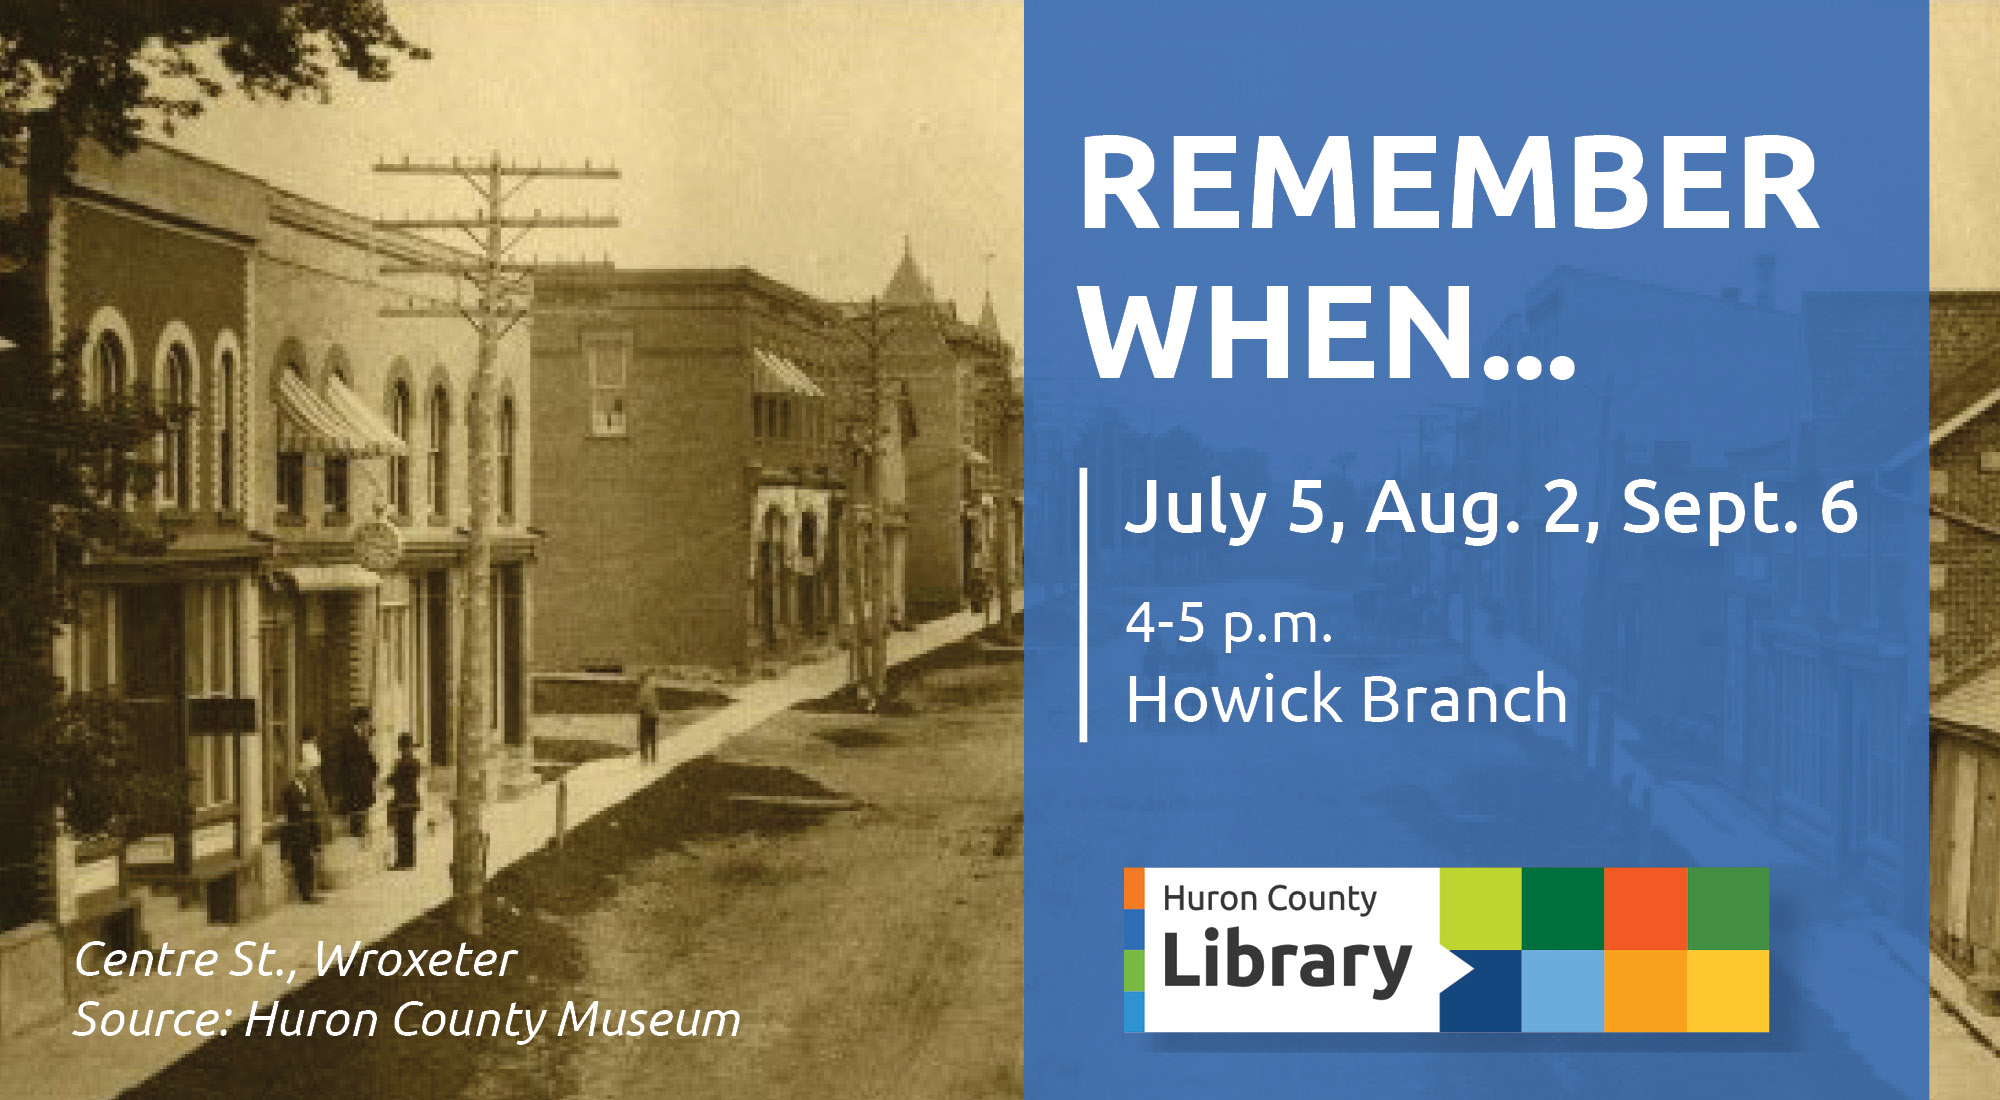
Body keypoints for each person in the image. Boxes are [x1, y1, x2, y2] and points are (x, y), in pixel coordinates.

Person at [280, 770, 321, 902]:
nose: (307, 777)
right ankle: (306, 894)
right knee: (302, 863)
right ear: (300, 775)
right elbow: (296, 810)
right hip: (297, 832)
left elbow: (308, 810)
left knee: (308, 863)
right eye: (305, 775)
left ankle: (309, 892)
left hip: (306, 831)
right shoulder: (291, 790)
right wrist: (306, 809)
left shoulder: (305, 789)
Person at [387, 734, 423, 870]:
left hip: (403, 801)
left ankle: (403, 861)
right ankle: (409, 860)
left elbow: (397, 779)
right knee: (408, 831)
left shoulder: (403, 763)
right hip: (412, 800)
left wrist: (387, 781)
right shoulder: (415, 762)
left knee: (402, 832)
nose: (405, 750)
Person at [343, 707, 380, 838]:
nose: (367, 724)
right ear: (360, 721)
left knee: (364, 801)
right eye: (365, 721)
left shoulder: (364, 736)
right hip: (354, 775)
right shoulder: (350, 735)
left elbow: (368, 755)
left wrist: (374, 767)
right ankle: (356, 829)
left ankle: (363, 827)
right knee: (356, 802)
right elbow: (349, 756)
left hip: (364, 775)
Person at [635, 670, 660, 764]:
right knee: (652, 737)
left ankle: (644, 759)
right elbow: (656, 704)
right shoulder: (652, 690)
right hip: (653, 716)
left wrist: (637, 708)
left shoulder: (642, 691)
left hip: (645, 716)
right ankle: (653, 758)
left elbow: (640, 705)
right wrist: (657, 715)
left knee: (643, 737)